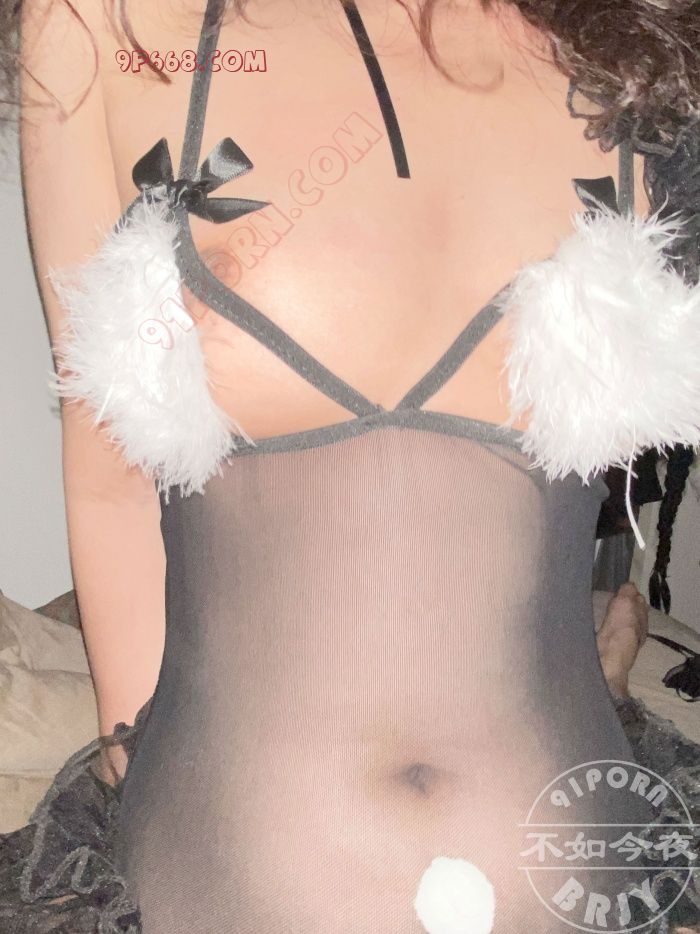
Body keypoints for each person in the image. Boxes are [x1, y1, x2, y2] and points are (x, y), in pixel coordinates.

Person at [0, 1, 699, 931]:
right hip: (232, 878)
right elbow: (109, 483)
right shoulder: (103, 25)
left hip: (578, 865)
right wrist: (128, 784)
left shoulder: (649, 56)